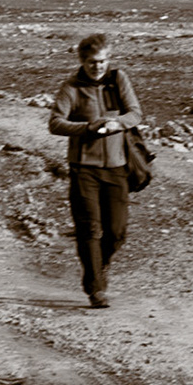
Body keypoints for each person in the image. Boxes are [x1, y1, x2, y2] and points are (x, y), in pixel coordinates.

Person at [47, 32, 146, 309]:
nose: (98, 67)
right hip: (84, 170)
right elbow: (55, 123)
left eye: (102, 61)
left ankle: (98, 266)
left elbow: (136, 113)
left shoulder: (118, 80)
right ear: (82, 61)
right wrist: (86, 128)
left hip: (117, 168)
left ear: (108, 59)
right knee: (90, 229)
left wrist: (119, 124)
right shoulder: (71, 88)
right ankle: (95, 289)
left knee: (116, 232)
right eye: (92, 62)